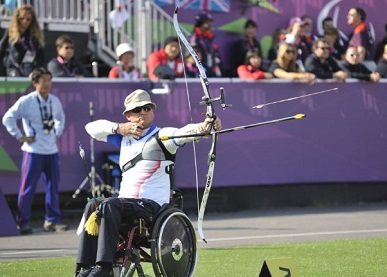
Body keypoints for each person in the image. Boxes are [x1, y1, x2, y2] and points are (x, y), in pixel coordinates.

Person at [74, 89, 222, 277]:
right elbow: (91, 128)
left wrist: (204, 127)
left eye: (147, 108)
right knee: (92, 206)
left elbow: (183, 133)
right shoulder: (123, 138)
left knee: (110, 204)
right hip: (124, 206)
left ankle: (103, 268)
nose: (143, 112)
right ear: (128, 116)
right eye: (137, 110)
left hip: (151, 207)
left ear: (152, 111)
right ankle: (84, 268)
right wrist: (119, 128)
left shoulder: (162, 136)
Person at [2, 67, 67, 235]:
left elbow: (60, 119)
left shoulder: (54, 101)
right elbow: (7, 117)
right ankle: (23, 222)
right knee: (28, 187)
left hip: (51, 150)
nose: (46, 84)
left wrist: (57, 134)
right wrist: (19, 136)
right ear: (35, 83)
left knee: (53, 187)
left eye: (49, 80)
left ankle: (52, 221)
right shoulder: (27, 100)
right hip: (33, 150)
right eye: (43, 80)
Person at [0, 5, 45, 77]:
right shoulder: (11, 31)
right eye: (22, 18)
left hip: (29, 66)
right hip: (14, 66)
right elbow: (2, 48)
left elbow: (40, 54)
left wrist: (36, 70)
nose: (25, 21)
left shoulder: (35, 33)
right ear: (17, 19)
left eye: (28, 19)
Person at [189, 12, 223, 77]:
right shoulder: (195, 37)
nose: (210, 24)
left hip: (211, 68)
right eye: (208, 22)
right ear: (201, 23)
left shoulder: (209, 37)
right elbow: (194, 55)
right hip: (200, 70)